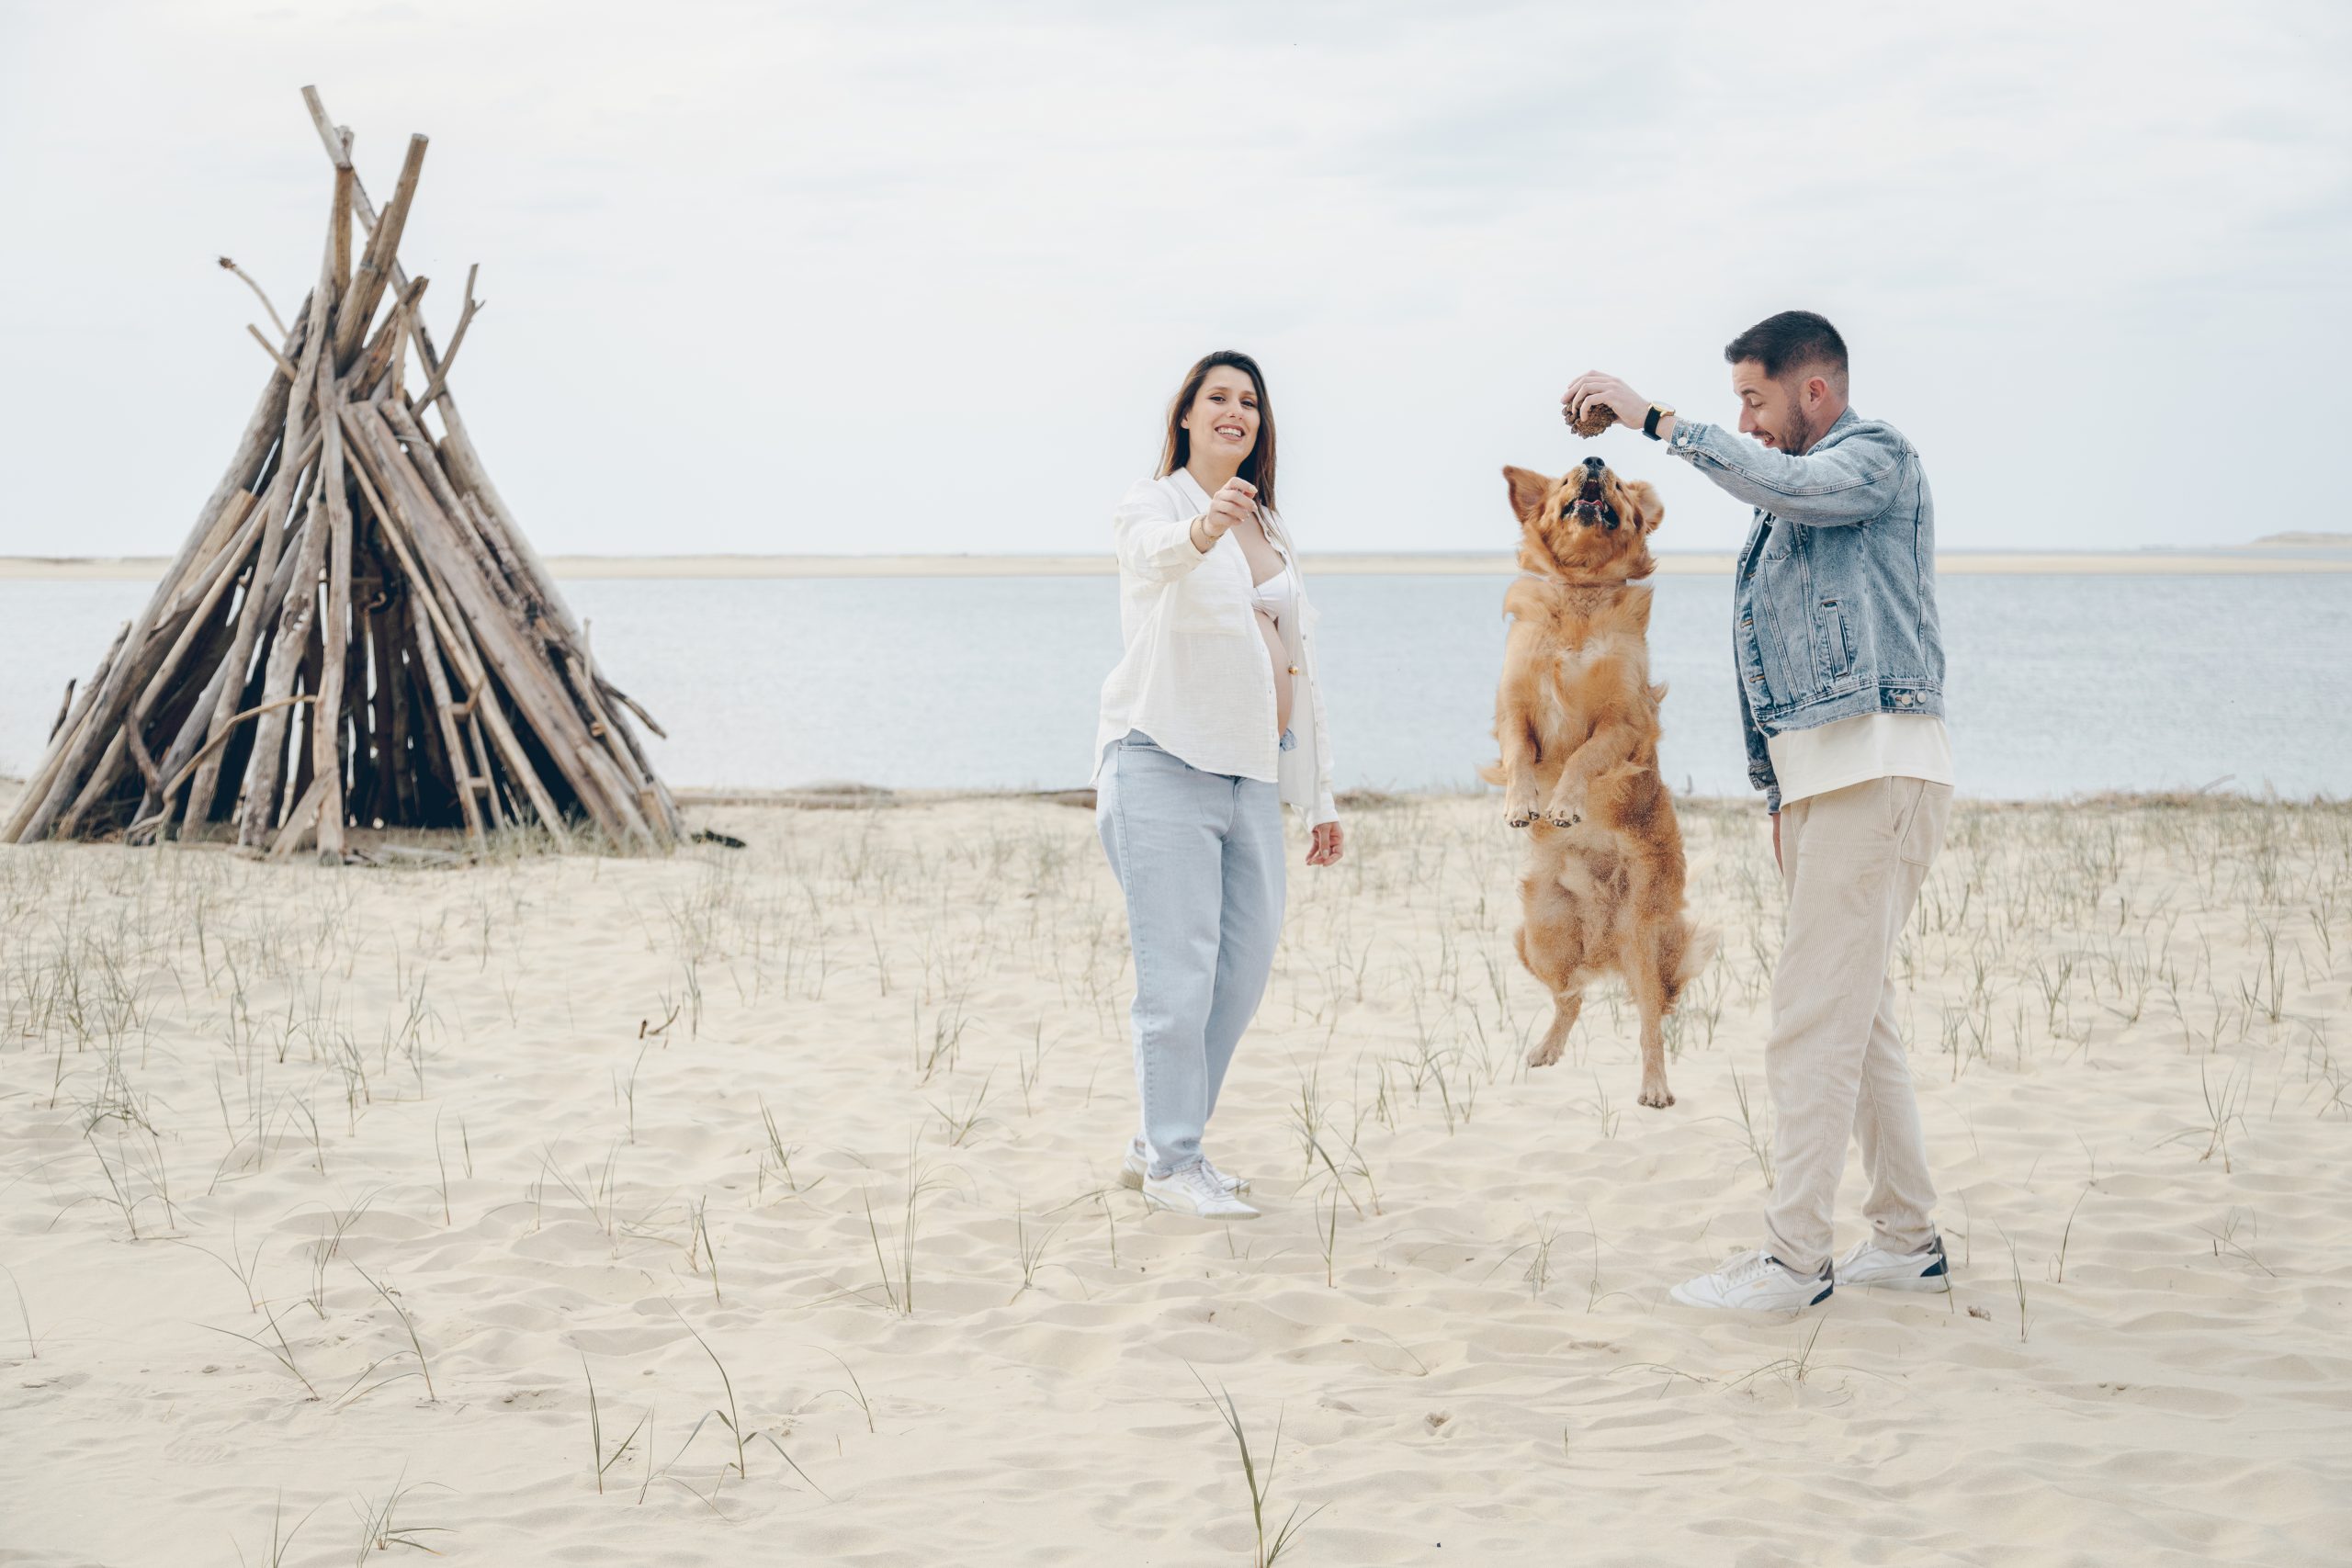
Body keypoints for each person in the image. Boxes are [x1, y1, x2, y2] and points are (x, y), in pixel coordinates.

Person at [1564, 310, 1955, 1311]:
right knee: (1856, 1017)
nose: (1746, 420)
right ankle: (1907, 1241)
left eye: (1753, 399)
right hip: (1825, 783)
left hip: (1877, 765)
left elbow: (1775, 478)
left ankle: (1791, 1264)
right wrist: (1778, 793)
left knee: (1809, 1019)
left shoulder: (1872, 460)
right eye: (1735, 401)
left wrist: (1656, 420)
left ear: (1812, 390)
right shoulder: (1792, 494)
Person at [1093, 349, 1343, 1221]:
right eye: (1218, 398)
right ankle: (1173, 1163)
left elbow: (1301, 660)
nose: (1236, 411)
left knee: (1240, 970)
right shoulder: (1156, 502)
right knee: (1179, 978)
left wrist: (1321, 798)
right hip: (1161, 757)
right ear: (1189, 417)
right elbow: (1149, 558)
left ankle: (1158, 1142)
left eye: (1250, 401)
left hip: (1253, 772)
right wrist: (1201, 529)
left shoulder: (1269, 525)